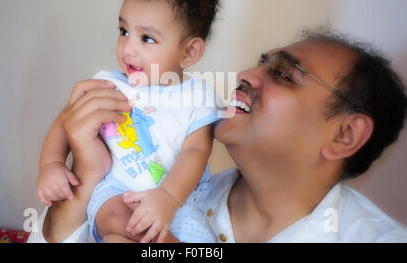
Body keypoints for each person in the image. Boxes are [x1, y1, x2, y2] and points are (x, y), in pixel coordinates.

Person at [29, 26, 407, 243]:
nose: (244, 74)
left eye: (282, 74)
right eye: (261, 63)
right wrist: (87, 179)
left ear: (344, 134)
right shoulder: (164, 186)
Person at [35, 0, 225, 243]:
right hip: (115, 190)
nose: (127, 48)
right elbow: (66, 121)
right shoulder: (108, 83)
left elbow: (196, 151)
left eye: (147, 38)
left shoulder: (198, 97)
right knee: (122, 224)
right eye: (123, 31)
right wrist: (51, 164)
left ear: (189, 52)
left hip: (178, 202)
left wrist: (168, 198)